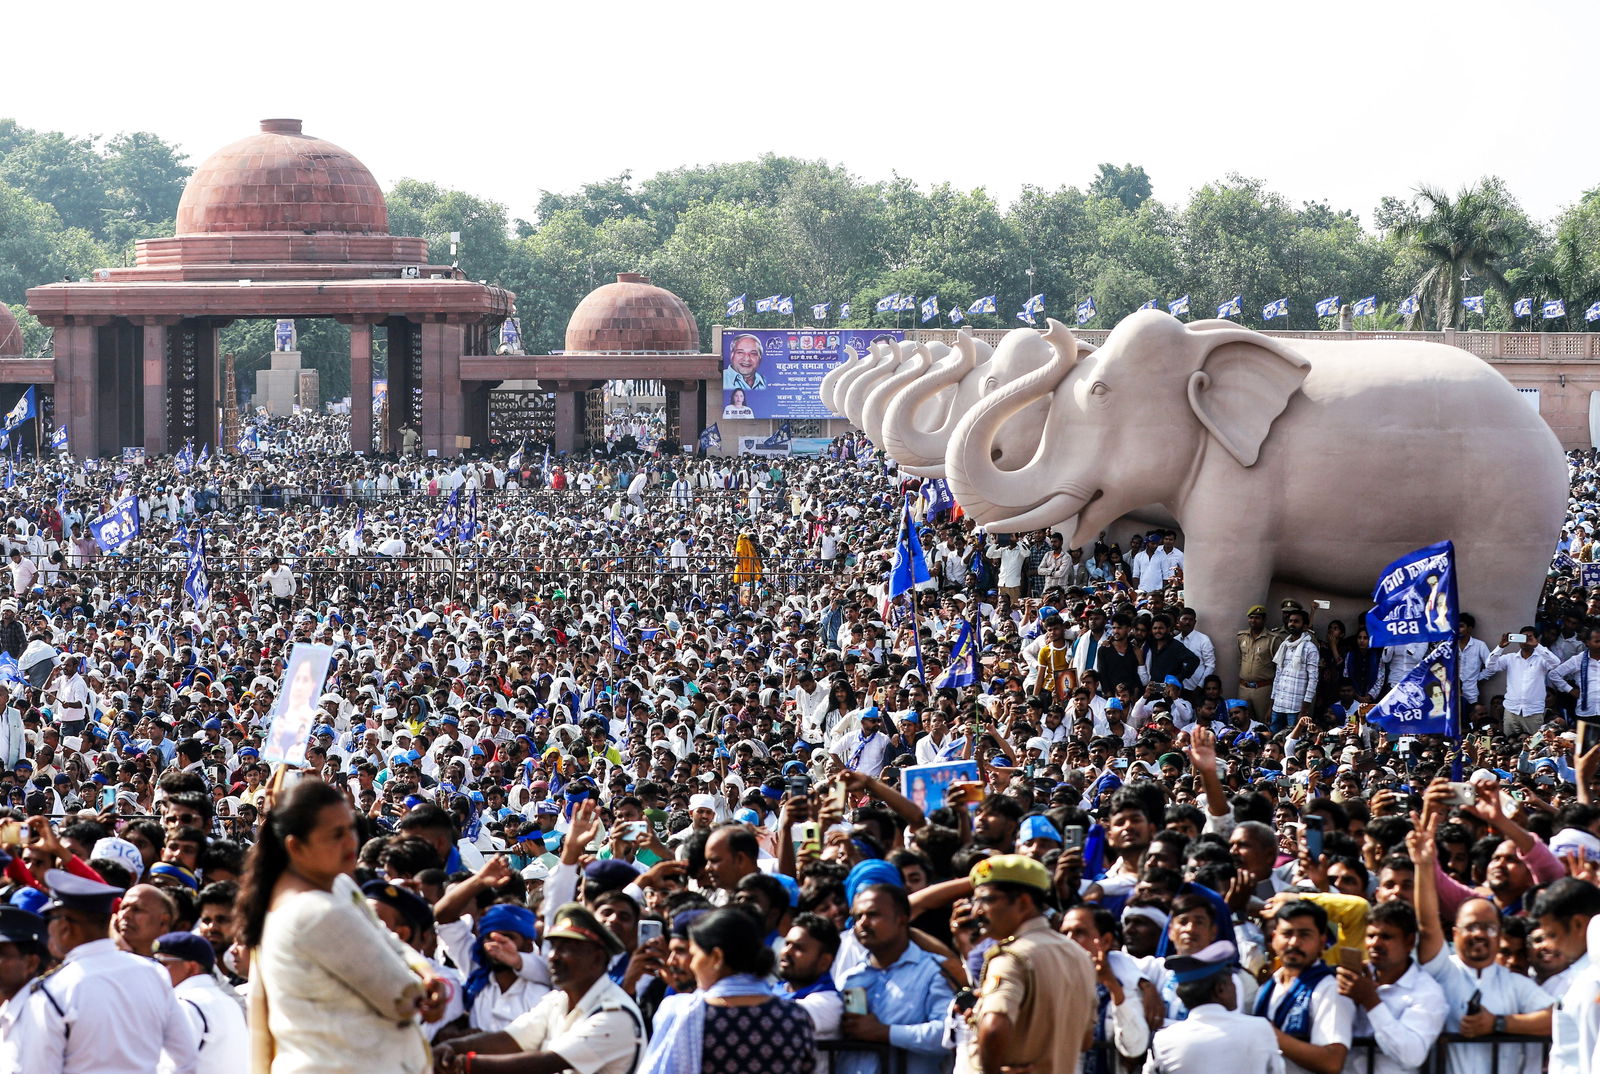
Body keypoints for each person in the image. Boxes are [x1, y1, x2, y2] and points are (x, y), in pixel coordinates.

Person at [238, 778, 447, 1074]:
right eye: (335, 834)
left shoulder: (338, 884)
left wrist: (428, 974)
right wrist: (425, 989)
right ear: (295, 846)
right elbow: (400, 996)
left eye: (350, 828)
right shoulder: (315, 912)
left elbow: (384, 936)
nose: (350, 841)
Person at [9, 869, 199, 1074]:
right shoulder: (154, 973)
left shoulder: (54, 991)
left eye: (49, 920)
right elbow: (186, 1060)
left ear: (65, 926)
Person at [432, 902, 645, 1074]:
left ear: (597, 958)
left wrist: (462, 1063)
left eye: (567, 948)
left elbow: (546, 1063)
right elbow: (510, 1039)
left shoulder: (614, 1014)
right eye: (554, 947)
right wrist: (453, 1047)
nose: (553, 957)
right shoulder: (558, 1001)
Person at [959, 855, 1094, 1074]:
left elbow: (994, 1029)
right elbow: (1085, 1039)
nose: (977, 911)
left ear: (1023, 902)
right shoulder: (1079, 955)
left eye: (986, 900)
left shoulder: (1012, 957)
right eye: (975, 902)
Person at [639, 906, 814, 1074]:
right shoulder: (796, 1016)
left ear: (716, 957)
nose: (693, 965)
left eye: (695, 954)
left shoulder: (685, 1014)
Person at [836, 882, 954, 1074]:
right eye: (857, 917)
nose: (862, 923)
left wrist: (885, 1032)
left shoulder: (933, 971)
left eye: (873, 915)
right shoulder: (850, 978)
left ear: (901, 919)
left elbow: (947, 1034)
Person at [1333, 900, 1446, 1074]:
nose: (1375, 944)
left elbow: (1412, 1056)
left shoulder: (1427, 993)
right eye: (1370, 936)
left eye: (1386, 937)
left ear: (1409, 942)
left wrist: (1371, 1002)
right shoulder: (1356, 979)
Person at [1143, 941, 1284, 1074]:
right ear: (1220, 989)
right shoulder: (1260, 1029)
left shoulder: (1163, 1040)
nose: (1235, 988)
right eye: (1231, 982)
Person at [1254, 899, 1354, 1074]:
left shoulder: (1330, 989)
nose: (1294, 942)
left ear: (1322, 942)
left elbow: (1332, 1061)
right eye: (1287, 934)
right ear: (1274, 938)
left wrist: (1270, 1033)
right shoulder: (1268, 988)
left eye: (1304, 935)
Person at [153, 931, 249, 1074]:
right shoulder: (229, 1002)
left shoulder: (186, 1005)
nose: (157, 971)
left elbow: (169, 1068)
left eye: (163, 963)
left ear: (192, 967)